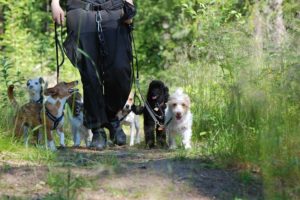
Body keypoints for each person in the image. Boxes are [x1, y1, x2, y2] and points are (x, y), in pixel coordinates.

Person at [51, 0, 136, 149]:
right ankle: (97, 129)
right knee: (90, 75)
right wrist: (55, 3)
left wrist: (129, 4)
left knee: (120, 69)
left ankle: (111, 117)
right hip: (80, 11)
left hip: (114, 11)